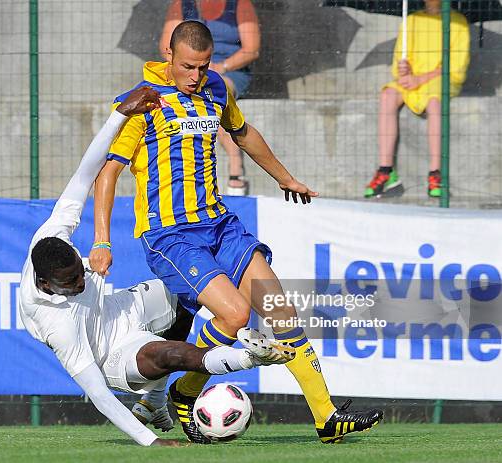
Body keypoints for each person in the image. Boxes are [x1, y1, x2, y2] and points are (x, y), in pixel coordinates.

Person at [91, 21, 383, 444]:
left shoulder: (217, 88)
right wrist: (102, 240)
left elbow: (243, 134)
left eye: (204, 65)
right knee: (234, 315)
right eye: (189, 66)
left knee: (280, 309)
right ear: (169, 56)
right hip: (172, 234)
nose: (196, 76)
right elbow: (108, 173)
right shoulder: (142, 102)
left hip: (221, 225)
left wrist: (287, 178)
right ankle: (186, 391)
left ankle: (327, 417)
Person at [18, 86, 295, 447]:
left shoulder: (53, 234)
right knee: (170, 354)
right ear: (46, 285)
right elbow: (100, 395)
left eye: (79, 270)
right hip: (114, 353)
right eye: (71, 283)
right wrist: (149, 442)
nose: (82, 281)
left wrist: (119, 115)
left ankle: (155, 398)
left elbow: (85, 173)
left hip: (119, 308)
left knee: (186, 289)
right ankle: (249, 358)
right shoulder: (55, 326)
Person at [364, 0, 470, 198]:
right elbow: (399, 62)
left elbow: (456, 67)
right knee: (387, 95)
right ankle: (386, 171)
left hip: (441, 80)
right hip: (413, 80)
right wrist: (403, 70)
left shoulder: (458, 22)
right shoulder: (411, 20)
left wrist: (421, 78)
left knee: (434, 102)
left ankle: (435, 173)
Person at [159, 0, 260, 195]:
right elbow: (166, 49)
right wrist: (191, 66)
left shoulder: (239, 4)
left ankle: (234, 159)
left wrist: (220, 67)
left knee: (213, 92)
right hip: (192, 71)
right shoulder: (181, 5)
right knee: (200, 89)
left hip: (230, 71)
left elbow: (251, 49)